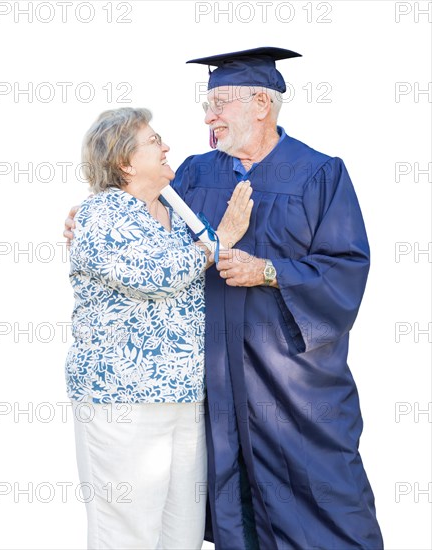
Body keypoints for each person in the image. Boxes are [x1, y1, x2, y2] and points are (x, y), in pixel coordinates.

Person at [65, 47, 384, 549]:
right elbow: (138, 219)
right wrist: (86, 216)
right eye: (206, 103)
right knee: (223, 509)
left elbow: (346, 267)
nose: (207, 115)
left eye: (220, 102)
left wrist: (270, 270)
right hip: (212, 380)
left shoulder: (319, 174)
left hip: (290, 381)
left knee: (324, 494)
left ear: (261, 103)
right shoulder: (194, 174)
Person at [65, 106, 253, 550]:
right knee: (126, 535)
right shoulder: (102, 215)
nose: (166, 146)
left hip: (183, 399)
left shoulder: (173, 208)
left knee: (181, 535)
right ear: (125, 162)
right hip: (123, 402)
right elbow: (158, 277)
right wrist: (220, 238)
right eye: (154, 141)